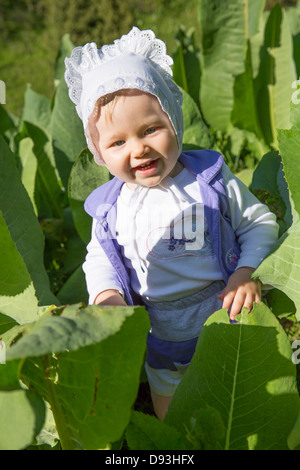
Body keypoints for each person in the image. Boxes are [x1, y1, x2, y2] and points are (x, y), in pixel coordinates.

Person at [65, 27, 278, 420]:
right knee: (170, 401)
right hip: (161, 327)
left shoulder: (208, 182)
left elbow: (258, 222)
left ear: (174, 119)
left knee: (240, 391)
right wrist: (106, 297)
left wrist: (245, 274)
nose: (138, 148)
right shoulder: (111, 208)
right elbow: (98, 260)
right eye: (118, 143)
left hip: (223, 309)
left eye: (150, 130)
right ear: (99, 152)